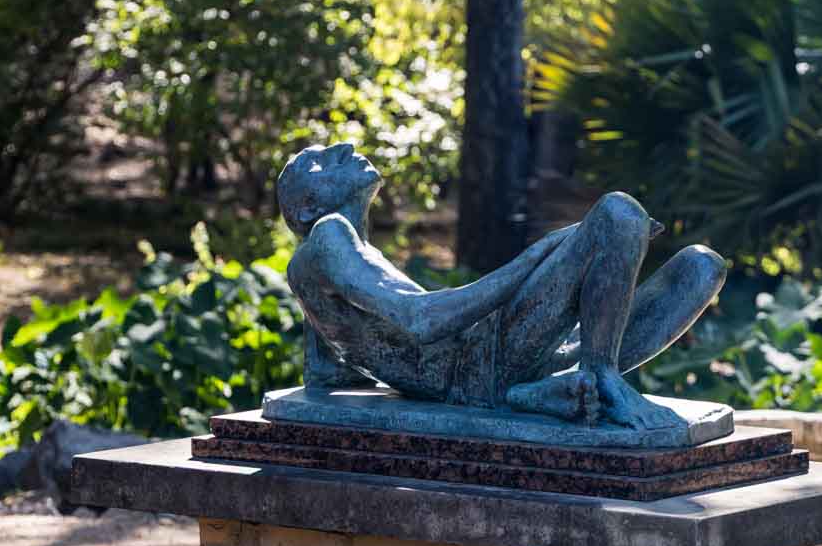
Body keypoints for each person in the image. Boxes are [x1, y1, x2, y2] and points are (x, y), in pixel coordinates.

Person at [278, 142, 726, 431]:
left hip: (499, 364)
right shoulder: (326, 237)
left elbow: (327, 374)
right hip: (480, 363)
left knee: (701, 268)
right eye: (315, 162)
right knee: (619, 214)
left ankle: (537, 393)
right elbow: (420, 320)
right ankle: (601, 374)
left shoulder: (333, 262)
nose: (343, 147)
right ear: (306, 209)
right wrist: (542, 251)